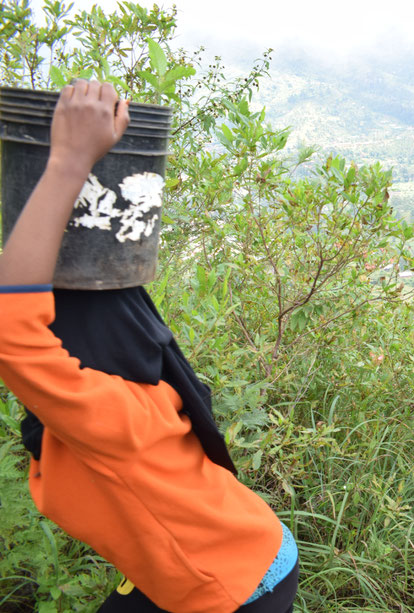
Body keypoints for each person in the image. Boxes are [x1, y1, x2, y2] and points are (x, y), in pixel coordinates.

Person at [0, 81, 298, 612]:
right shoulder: (128, 389)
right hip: (215, 555)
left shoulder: (108, 415)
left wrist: (70, 162)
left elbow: (12, 330)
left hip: (235, 589)